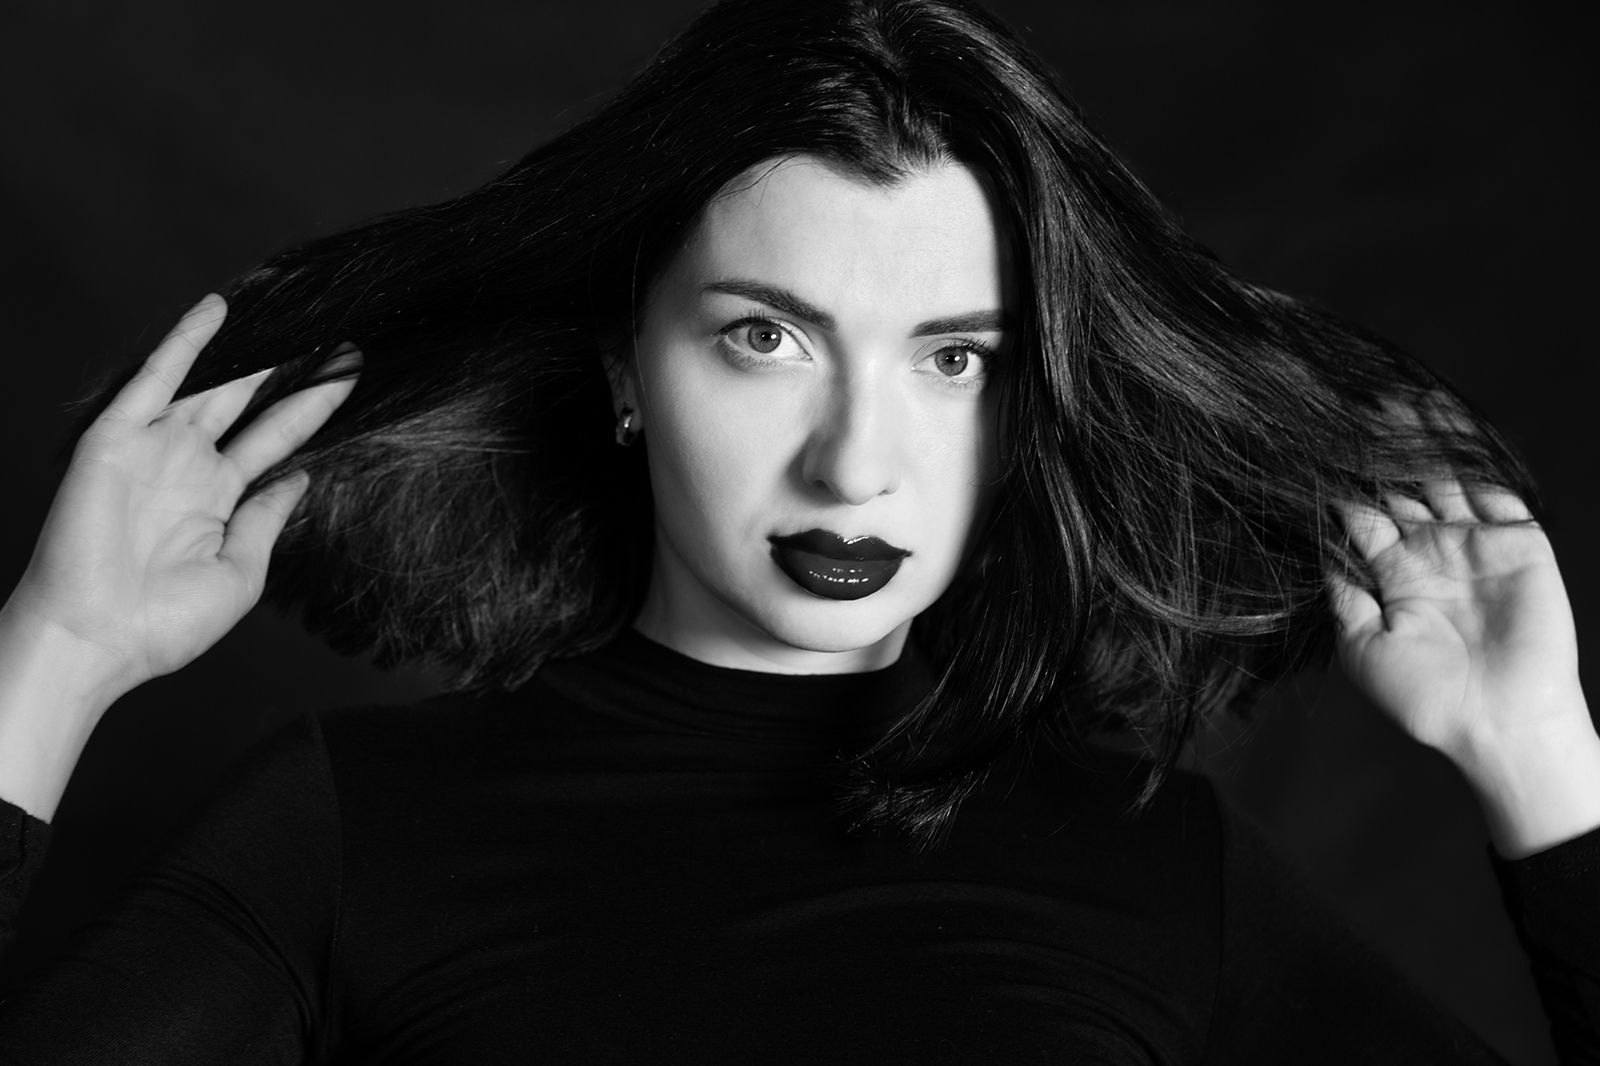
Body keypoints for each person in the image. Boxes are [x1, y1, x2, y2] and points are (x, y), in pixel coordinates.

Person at [0, 0, 1594, 1060]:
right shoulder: (348, 827)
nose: (855, 463)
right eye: (765, 337)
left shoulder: (1160, 861)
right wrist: (51, 659)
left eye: (954, 359)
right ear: (627, 366)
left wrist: (1544, 765)